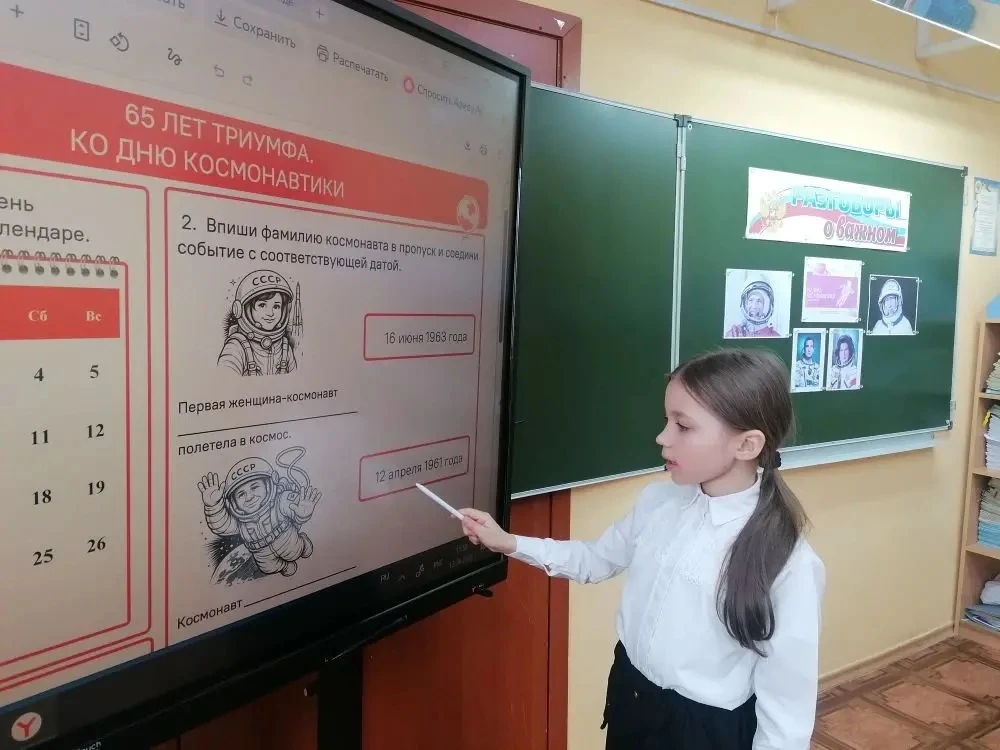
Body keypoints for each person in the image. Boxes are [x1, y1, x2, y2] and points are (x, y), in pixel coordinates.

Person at [459, 348, 825, 750]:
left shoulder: (787, 561)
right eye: (666, 421)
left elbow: (786, 710)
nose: (662, 438)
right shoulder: (658, 502)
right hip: (632, 695)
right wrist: (509, 542)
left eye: (683, 426)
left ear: (747, 444)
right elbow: (595, 560)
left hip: (701, 730)